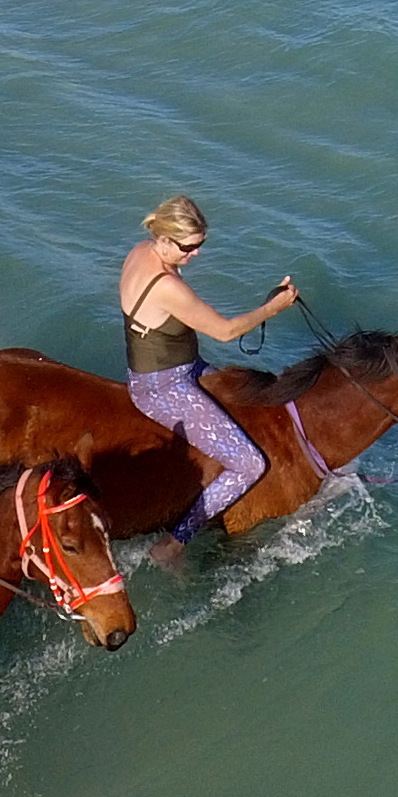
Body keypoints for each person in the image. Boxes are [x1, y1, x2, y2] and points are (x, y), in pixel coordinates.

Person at [118, 196, 301, 556]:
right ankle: (173, 544)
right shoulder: (166, 286)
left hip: (186, 367)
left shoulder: (141, 251)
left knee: (249, 407)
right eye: (189, 247)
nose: (196, 253)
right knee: (250, 464)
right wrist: (273, 308)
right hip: (163, 387)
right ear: (165, 239)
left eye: (200, 244)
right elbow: (225, 331)